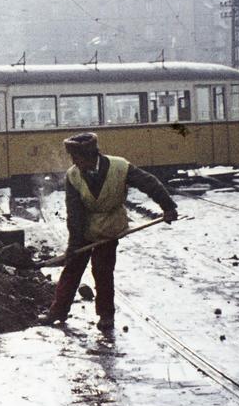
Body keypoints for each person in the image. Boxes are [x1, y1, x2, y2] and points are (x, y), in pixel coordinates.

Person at [46, 132, 178, 333]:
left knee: (102, 271)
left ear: (91, 156)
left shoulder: (120, 167)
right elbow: (74, 212)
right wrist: (74, 245)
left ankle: (106, 316)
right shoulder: (73, 175)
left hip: (110, 227)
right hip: (83, 228)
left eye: (77, 158)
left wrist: (168, 207)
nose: (74, 162)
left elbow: (149, 183)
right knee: (72, 268)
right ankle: (58, 312)